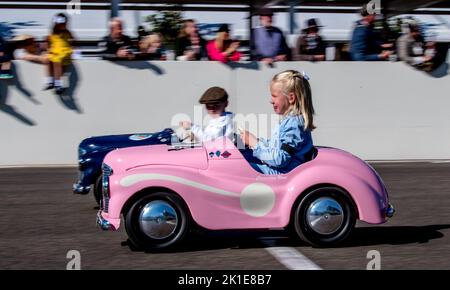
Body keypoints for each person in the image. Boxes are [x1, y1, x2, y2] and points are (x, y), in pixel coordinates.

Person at [240, 70, 315, 175]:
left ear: (291, 98)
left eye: (274, 96)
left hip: (282, 174)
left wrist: (254, 144)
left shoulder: (294, 124)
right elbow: (274, 147)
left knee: (238, 169)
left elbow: (281, 159)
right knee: (241, 157)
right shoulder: (289, 121)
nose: (271, 100)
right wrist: (253, 141)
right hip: (277, 170)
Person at [44, 13, 74, 95]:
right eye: (59, 24)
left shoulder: (67, 32)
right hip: (55, 52)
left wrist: (72, 47)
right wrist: (48, 49)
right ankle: (50, 81)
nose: (61, 26)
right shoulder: (52, 34)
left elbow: (72, 41)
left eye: (63, 24)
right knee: (47, 59)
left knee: (57, 60)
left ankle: (58, 84)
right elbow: (47, 42)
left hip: (64, 52)